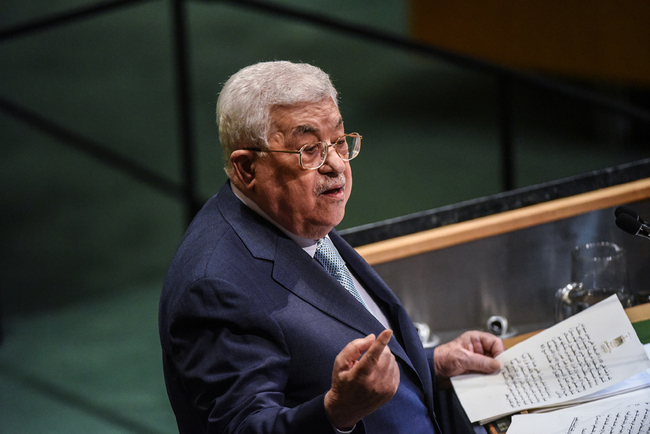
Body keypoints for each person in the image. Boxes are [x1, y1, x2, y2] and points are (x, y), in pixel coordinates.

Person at [159, 60, 504, 434]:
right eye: (308, 150)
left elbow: (319, 359)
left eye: (339, 141)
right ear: (246, 169)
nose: (337, 164)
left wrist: (431, 363)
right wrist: (335, 413)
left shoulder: (296, 217)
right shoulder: (214, 288)